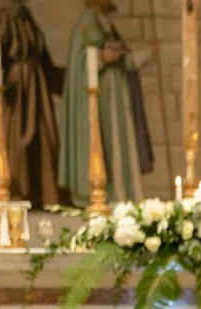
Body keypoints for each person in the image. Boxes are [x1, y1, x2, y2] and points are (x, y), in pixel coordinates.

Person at [59, 0, 155, 206]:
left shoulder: (107, 27)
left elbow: (125, 60)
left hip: (117, 102)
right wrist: (101, 56)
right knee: (102, 145)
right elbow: (80, 64)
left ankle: (121, 193)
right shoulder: (85, 27)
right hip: (99, 101)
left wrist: (148, 54)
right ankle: (100, 194)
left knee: (119, 146)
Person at [0, 0, 64, 208]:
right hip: (18, 87)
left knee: (45, 138)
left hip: (37, 84)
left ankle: (44, 195)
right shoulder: (4, 13)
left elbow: (43, 57)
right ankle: (17, 194)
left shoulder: (24, 13)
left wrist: (73, 79)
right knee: (17, 137)